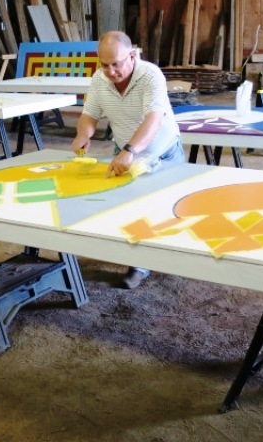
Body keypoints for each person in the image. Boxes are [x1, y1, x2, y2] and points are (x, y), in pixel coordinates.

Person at [72, 31, 185, 289]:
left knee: (168, 207)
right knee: (130, 207)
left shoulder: (151, 75)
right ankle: (139, 264)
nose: (110, 71)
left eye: (116, 64)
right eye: (104, 65)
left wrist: (130, 149)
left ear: (132, 56)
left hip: (161, 149)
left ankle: (174, 257)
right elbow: (89, 115)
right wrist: (82, 135)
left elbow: (153, 119)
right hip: (125, 150)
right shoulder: (99, 79)